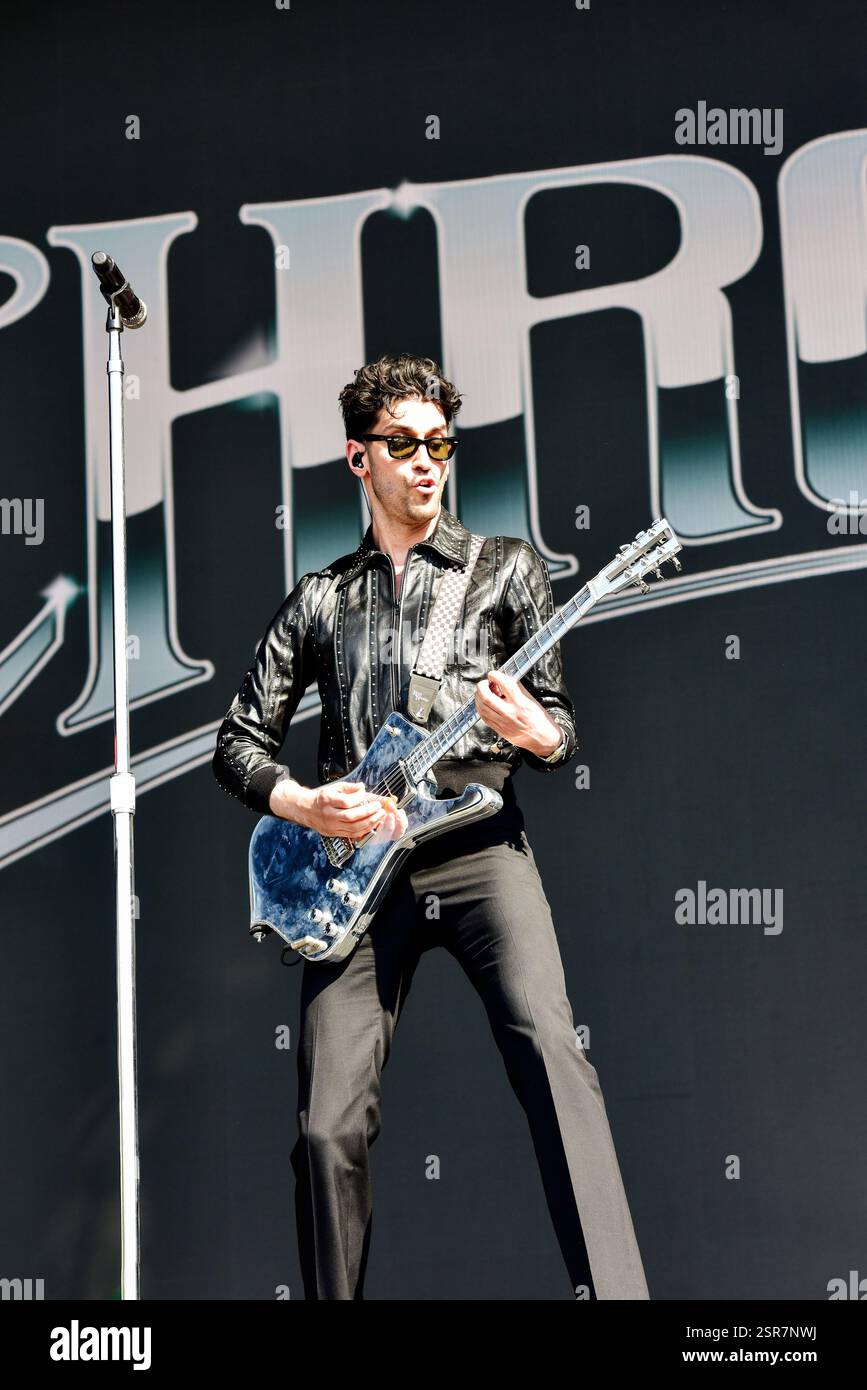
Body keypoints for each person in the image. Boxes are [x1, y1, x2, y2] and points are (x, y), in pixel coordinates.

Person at [212, 352, 649, 1301]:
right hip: (356, 880)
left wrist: (537, 731)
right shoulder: (322, 597)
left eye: (439, 444)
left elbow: (557, 727)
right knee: (325, 1127)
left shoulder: (505, 571)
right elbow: (238, 742)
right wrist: (306, 802)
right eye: (402, 444)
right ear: (356, 459)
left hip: (477, 851)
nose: (426, 462)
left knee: (551, 1054)